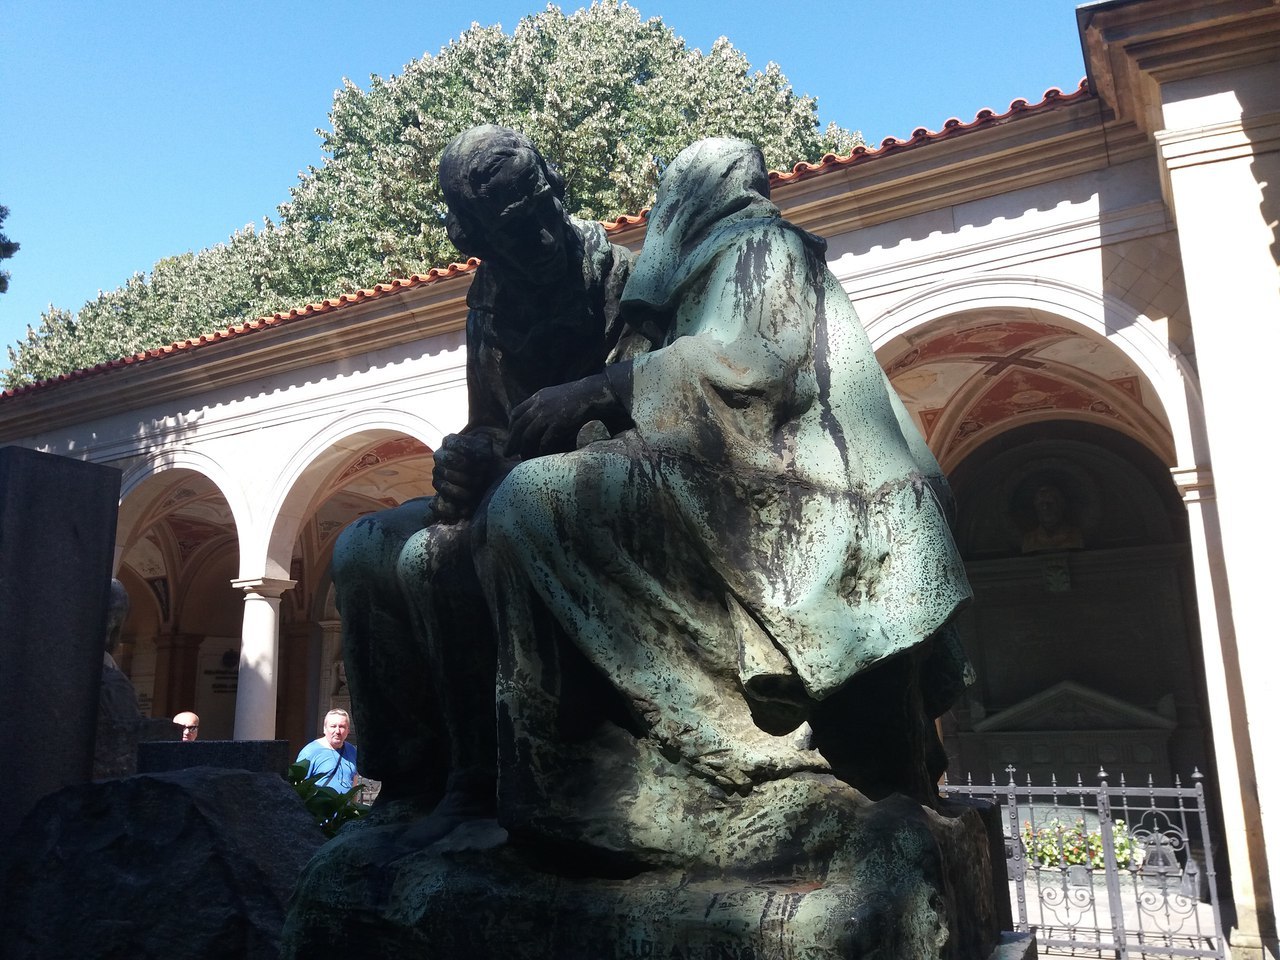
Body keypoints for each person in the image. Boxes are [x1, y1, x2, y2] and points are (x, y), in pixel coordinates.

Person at [477, 138, 973, 839]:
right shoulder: (707, 275)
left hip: (811, 491)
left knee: (535, 502)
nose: (657, 214)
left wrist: (598, 389)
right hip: (752, 480)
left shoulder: (763, 248)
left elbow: (747, 368)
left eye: (667, 193)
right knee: (534, 500)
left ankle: (734, 756)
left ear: (697, 194)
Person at [332, 125, 640, 816]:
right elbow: (490, 421)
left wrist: (576, 405)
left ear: (554, 188)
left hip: (599, 483)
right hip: (513, 480)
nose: (538, 236)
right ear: (476, 240)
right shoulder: (489, 298)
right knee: (362, 547)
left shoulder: (620, 275)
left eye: (540, 209)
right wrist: (462, 458)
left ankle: (492, 778)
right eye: (511, 229)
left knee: (444, 552)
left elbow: (648, 399)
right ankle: (407, 784)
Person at [296, 708, 359, 793]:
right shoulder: (310, 752)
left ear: (348, 730)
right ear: (324, 729)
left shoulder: (352, 751)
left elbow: (354, 783)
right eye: (333, 726)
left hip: (344, 806)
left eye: (342, 727)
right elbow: (298, 785)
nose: (337, 731)